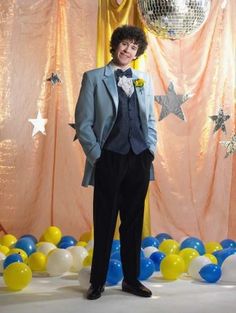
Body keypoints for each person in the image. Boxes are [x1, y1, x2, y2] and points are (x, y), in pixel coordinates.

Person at [75, 25, 157, 300]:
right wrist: (98, 156)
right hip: (109, 158)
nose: (128, 50)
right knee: (105, 220)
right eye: (124, 44)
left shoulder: (143, 79)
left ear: (137, 52)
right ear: (115, 45)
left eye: (134, 47)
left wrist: (151, 151)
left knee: (133, 223)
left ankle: (131, 280)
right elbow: (84, 124)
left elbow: (149, 120)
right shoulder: (94, 78)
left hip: (139, 158)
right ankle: (97, 281)